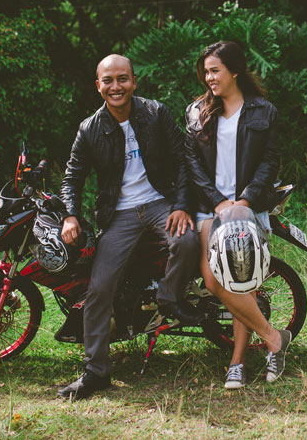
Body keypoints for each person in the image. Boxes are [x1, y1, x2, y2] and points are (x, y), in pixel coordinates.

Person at [56, 54, 200, 400]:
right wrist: (70, 214)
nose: (116, 86)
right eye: (108, 81)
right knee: (100, 287)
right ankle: (96, 371)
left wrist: (181, 206)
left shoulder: (155, 113)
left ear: (134, 82)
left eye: (122, 79)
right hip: (118, 214)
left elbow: (184, 160)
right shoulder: (90, 128)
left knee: (188, 240)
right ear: (99, 86)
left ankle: (169, 296)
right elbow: (72, 177)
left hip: (160, 202)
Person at [184, 40, 292, 390]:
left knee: (244, 281)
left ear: (234, 71)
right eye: (206, 72)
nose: (209, 78)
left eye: (215, 70)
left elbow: (269, 161)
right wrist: (218, 202)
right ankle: (275, 339)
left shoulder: (264, 111)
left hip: (249, 206)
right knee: (215, 279)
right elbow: (193, 166)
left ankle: (237, 362)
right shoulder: (197, 112)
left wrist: (244, 202)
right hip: (210, 207)